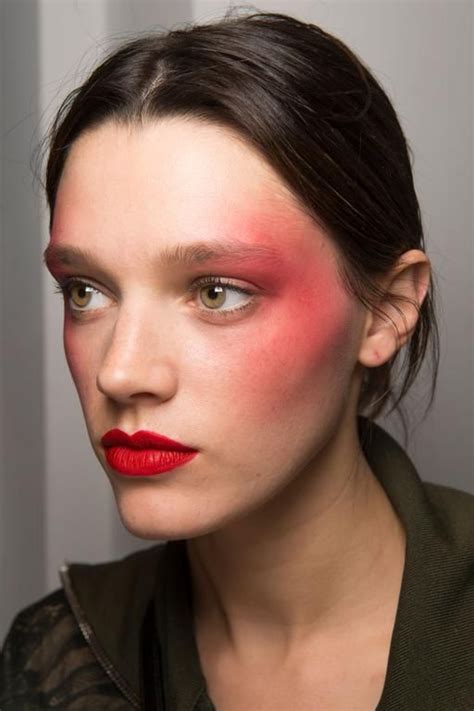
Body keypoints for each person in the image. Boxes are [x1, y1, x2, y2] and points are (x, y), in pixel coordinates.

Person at [1, 9, 472, 711]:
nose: (121, 372)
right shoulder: (57, 657)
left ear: (385, 309)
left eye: (215, 292)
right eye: (86, 290)